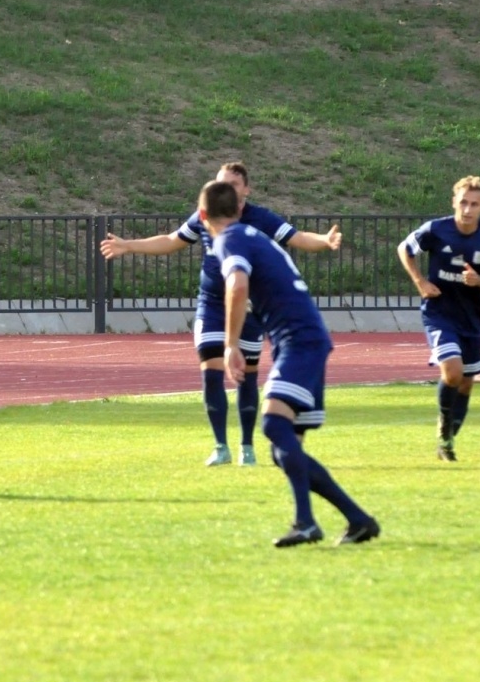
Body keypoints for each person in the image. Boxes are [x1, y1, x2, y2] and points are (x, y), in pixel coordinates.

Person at [100, 162, 341, 468]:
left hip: (249, 307)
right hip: (212, 303)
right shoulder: (205, 215)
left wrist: (324, 240)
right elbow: (173, 240)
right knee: (211, 369)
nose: (225, 188)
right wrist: (128, 246)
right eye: (220, 182)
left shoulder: (259, 218)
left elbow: (296, 237)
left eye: (232, 183)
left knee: (245, 377)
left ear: (246, 190)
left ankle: (247, 446)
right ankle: (220, 445)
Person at [206, 180, 380, 547]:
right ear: (238, 208)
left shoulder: (228, 240)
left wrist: (231, 344)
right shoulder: (252, 233)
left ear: (203, 214)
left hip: (299, 341)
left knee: (272, 425)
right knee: (283, 448)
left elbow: (236, 286)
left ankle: (306, 523)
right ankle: (358, 519)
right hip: (307, 338)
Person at [396, 175, 480, 462]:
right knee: (453, 373)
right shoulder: (436, 229)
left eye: (474, 204)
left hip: (470, 319)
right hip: (439, 313)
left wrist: (479, 280)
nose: (467, 209)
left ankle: (446, 441)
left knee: (467, 383)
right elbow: (404, 249)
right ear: (454, 202)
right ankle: (444, 430)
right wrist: (420, 281)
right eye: (463, 203)